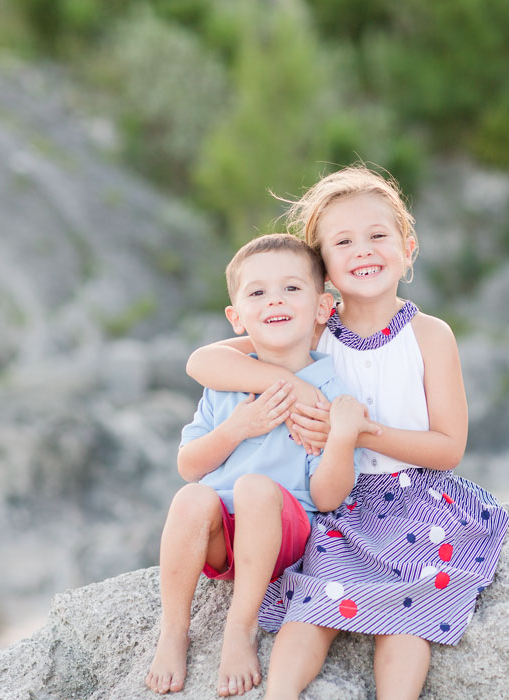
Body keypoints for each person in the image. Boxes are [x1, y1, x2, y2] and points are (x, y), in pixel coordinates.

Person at [186, 165, 509, 700]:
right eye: (343, 242)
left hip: (417, 499)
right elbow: (203, 362)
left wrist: (358, 431)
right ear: (325, 269)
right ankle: (280, 695)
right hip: (337, 502)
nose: (364, 250)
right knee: (315, 604)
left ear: (408, 248)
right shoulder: (310, 330)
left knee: (412, 611)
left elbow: (448, 447)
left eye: (379, 236)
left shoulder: (429, 335)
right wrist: (283, 381)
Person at [145, 233, 375, 697]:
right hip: (220, 540)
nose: (274, 300)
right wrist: (238, 428)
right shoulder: (226, 383)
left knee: (254, 487)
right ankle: (173, 629)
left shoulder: (327, 392)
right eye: (257, 293)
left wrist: (342, 439)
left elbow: (329, 497)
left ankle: (241, 627)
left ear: (322, 307)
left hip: (282, 534)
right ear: (237, 318)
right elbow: (189, 466)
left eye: (291, 288)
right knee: (191, 498)